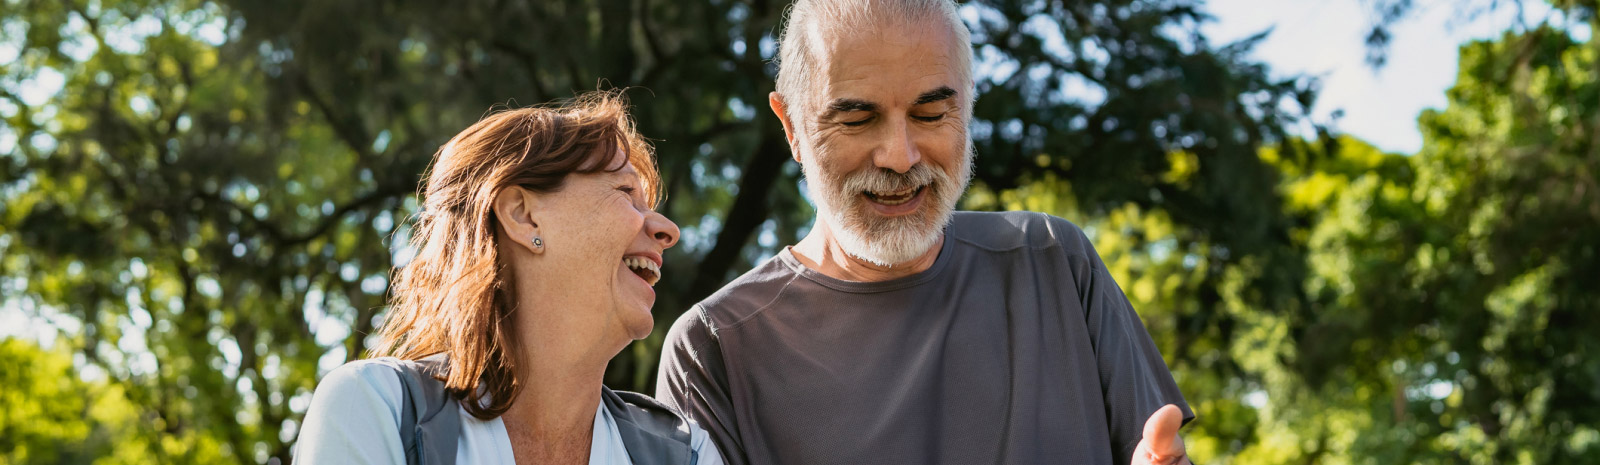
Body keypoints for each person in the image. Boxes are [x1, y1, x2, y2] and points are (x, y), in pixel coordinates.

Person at [655, 1, 1194, 464]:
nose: (899, 157)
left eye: (932, 113)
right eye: (857, 120)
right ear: (791, 126)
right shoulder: (715, 349)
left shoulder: (1055, 261)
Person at [295, 93, 723, 465]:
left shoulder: (685, 452)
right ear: (523, 215)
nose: (667, 230)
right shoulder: (374, 410)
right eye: (625, 193)